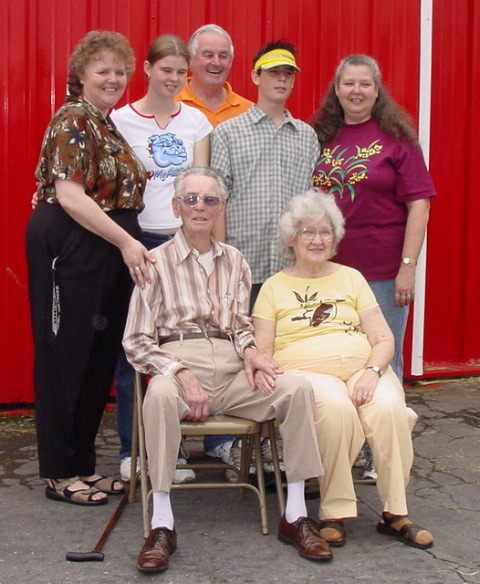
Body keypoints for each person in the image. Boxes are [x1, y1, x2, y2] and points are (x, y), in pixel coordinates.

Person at [123, 167, 333, 573]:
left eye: (210, 200)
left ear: (222, 208)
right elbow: (136, 340)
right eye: (192, 199)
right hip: (181, 360)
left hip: (233, 367)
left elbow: (239, 326)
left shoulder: (235, 261)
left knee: (295, 389)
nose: (200, 207)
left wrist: (253, 353)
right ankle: (162, 523)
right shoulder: (155, 262)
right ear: (176, 206)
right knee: (160, 393)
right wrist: (180, 371)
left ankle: (294, 515)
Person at [253, 189, 434, 550]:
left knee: (389, 410)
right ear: (292, 237)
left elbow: (383, 339)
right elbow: (263, 349)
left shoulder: (351, 278)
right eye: (308, 231)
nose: (317, 239)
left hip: (362, 367)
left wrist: (371, 371)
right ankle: (334, 512)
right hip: (307, 373)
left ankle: (395, 512)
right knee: (335, 412)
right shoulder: (274, 286)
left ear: (335, 237)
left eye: (325, 231)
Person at [25, 30, 155, 506]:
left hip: (102, 247)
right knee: (66, 357)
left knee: (96, 357)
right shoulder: (74, 119)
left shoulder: (104, 122)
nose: (113, 78)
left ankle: (81, 465)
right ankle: (60, 474)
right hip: (74, 247)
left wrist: (122, 243)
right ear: (80, 76)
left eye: (120, 71)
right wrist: (126, 242)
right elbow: (70, 196)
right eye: (103, 70)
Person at [110, 34, 212, 484]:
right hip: (139, 241)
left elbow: (204, 188)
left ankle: (175, 450)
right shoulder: (120, 120)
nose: (172, 78)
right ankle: (134, 450)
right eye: (165, 69)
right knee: (136, 349)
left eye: (179, 71)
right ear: (148, 69)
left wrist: (212, 250)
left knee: (182, 346)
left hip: (184, 242)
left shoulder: (197, 122)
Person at [310, 54, 436, 383]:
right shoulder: (318, 136)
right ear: (336, 89)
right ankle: (344, 431)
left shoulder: (398, 139)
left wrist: (407, 267)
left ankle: (384, 431)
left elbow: (419, 206)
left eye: (365, 84)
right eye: (348, 83)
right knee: (335, 355)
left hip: (382, 273)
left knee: (383, 357)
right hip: (328, 268)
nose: (357, 90)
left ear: (377, 90)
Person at [211, 40, 320, 308]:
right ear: (256, 76)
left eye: (288, 73)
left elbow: (313, 201)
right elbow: (216, 201)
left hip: (292, 266)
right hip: (243, 265)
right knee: (240, 344)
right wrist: (220, 260)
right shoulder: (228, 133)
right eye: (273, 72)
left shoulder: (306, 136)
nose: (281, 79)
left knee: (288, 346)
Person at [176, 24, 253, 127]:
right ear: (190, 59)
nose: (216, 62)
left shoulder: (249, 113)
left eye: (223, 56)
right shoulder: (169, 105)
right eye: (208, 55)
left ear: (230, 62)